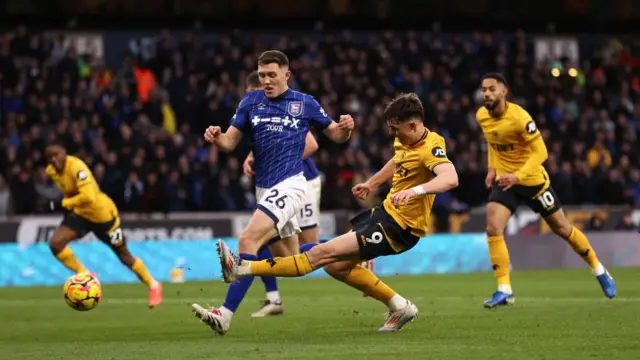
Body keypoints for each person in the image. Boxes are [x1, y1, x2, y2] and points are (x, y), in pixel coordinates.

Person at [215, 93, 459, 332]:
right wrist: (372, 183)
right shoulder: (406, 141)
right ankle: (399, 305)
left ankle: (243, 268)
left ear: (414, 125)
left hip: (400, 228)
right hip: (384, 214)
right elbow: (398, 160)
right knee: (335, 267)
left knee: (321, 253)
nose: (393, 134)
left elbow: (450, 178)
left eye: (397, 129)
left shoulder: (431, 147)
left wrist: (415, 191)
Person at [191, 50, 354, 334]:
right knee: (291, 260)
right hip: (264, 189)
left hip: (291, 185)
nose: (266, 80)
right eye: (262, 75)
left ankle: (225, 314)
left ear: (286, 75)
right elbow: (230, 143)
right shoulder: (250, 101)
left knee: (248, 239)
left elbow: (336, 136)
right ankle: (353, 248)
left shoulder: (305, 103)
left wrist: (346, 129)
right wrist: (217, 137)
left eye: (272, 75)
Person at [477, 73, 616, 308]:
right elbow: (493, 143)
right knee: (493, 227)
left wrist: (518, 175)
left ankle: (599, 269)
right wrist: (492, 168)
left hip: (532, 182)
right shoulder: (482, 116)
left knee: (563, 228)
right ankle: (504, 289)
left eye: (492, 89)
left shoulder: (520, 118)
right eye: (484, 89)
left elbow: (541, 153)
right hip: (506, 182)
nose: (487, 93)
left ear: (504, 92)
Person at [241, 70, 321, 317]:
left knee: (307, 247)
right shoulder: (258, 113)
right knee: (264, 239)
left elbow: (312, 144)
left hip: (302, 182)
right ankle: (273, 298)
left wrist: (279, 160)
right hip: (277, 184)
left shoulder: (284, 106)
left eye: (250, 94)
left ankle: (355, 253)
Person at [45, 140, 163, 308]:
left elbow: (89, 197)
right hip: (81, 214)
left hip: (103, 216)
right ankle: (85, 274)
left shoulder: (77, 168)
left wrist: (64, 204)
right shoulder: (51, 171)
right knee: (56, 243)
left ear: (65, 153)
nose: (54, 160)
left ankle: (154, 285)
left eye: (57, 155)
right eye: (50, 157)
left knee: (124, 256)